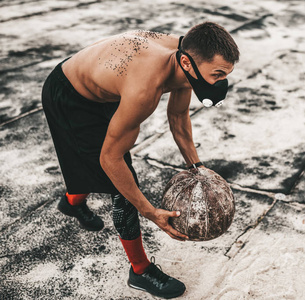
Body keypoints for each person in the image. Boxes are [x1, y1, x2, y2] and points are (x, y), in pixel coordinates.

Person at [41, 21, 239, 299]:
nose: (222, 82)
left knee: (91, 165)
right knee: (121, 185)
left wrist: (197, 168)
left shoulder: (184, 56)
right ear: (187, 62)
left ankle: (72, 202)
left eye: (226, 75)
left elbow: (179, 117)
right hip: (70, 96)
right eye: (217, 74)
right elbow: (110, 159)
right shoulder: (145, 89)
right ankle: (140, 270)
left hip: (103, 85)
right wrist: (150, 212)